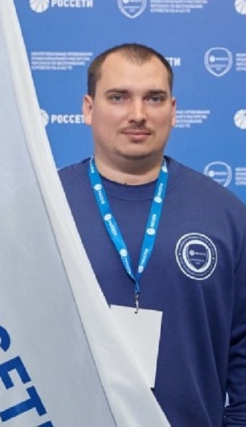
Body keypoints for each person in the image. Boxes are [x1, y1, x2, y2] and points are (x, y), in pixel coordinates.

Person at [59, 42, 246, 426]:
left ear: (173, 111)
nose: (138, 114)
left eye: (154, 98)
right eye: (118, 97)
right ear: (88, 109)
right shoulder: (44, 207)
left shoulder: (225, 215)